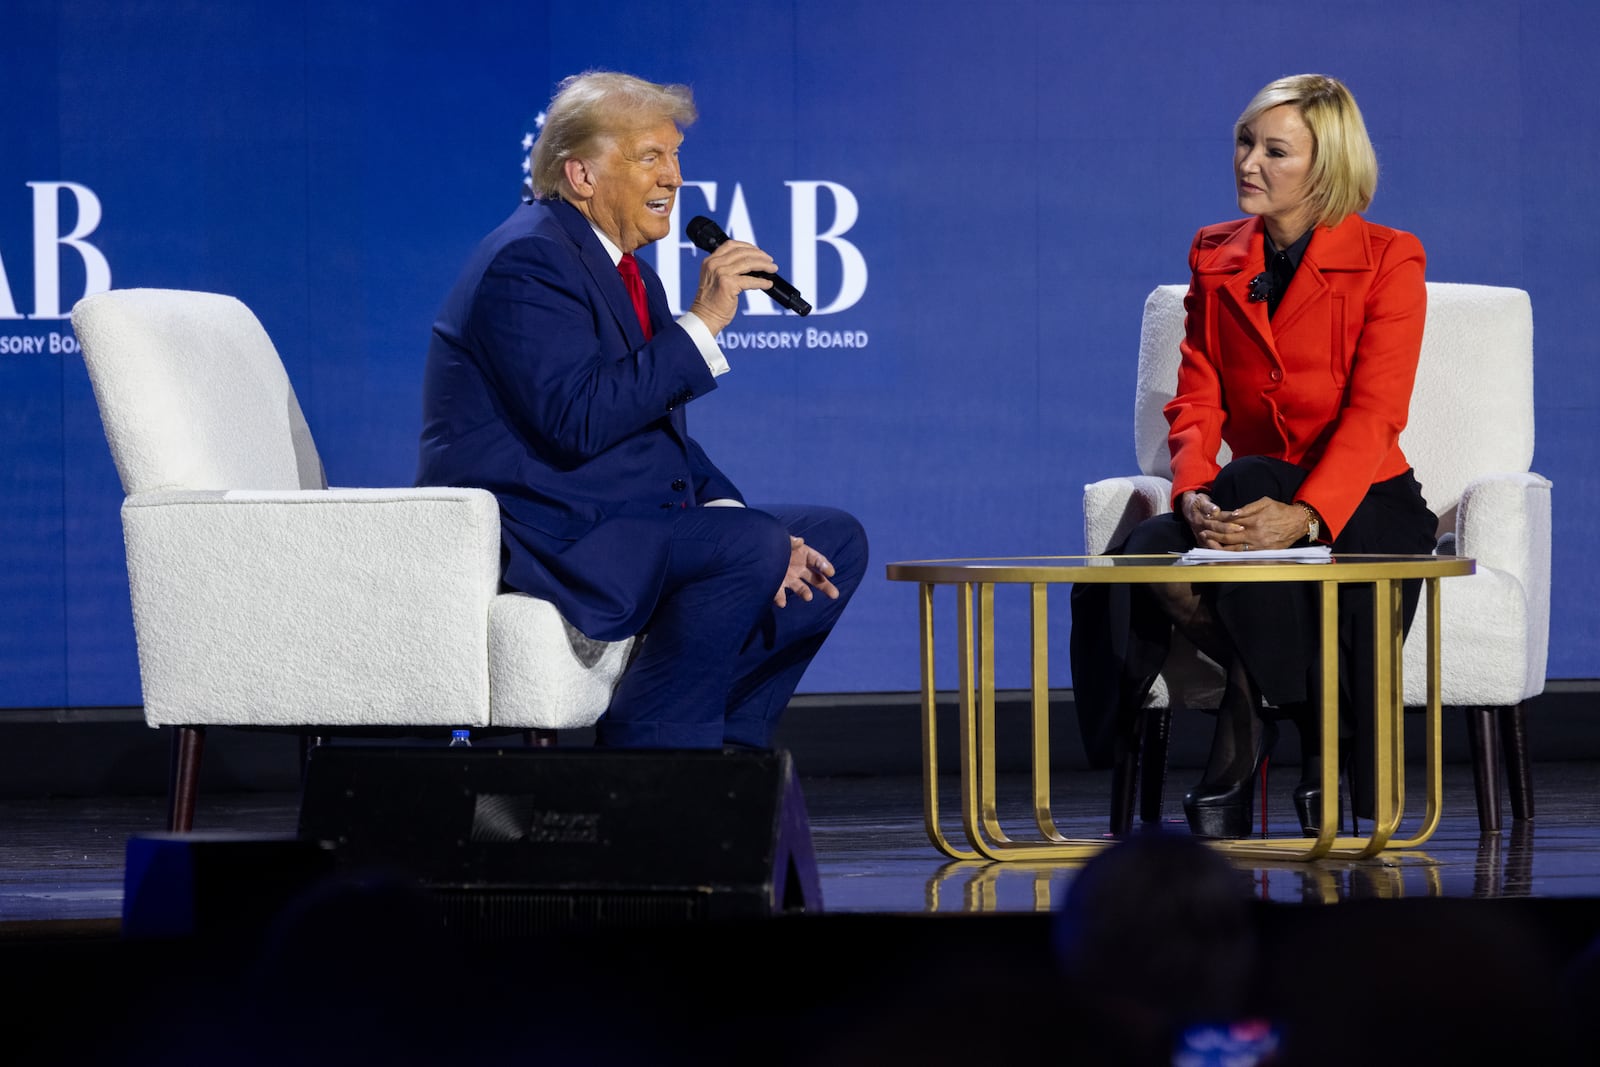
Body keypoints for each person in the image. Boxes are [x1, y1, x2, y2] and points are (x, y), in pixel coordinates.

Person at [416, 71, 867, 749]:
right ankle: (653, 744)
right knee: (754, 546)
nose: (675, 177)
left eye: (676, 156)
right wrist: (705, 320)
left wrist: (732, 513)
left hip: (613, 515)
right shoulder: (528, 261)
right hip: (551, 528)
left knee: (831, 541)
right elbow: (579, 418)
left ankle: (728, 755)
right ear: (581, 175)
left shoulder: (626, 269)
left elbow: (658, 435)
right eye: (650, 157)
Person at [1071, 74, 1437, 838]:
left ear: (1326, 166)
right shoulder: (1214, 253)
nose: (1249, 162)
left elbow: (1376, 415)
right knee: (1143, 560)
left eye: (1275, 150)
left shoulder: (1390, 258)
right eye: (1245, 142)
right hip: (1241, 497)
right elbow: (1197, 396)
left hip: (1362, 498)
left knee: (1253, 484)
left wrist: (1305, 515)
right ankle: (1296, 718)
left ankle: (1245, 731)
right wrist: (1193, 491)